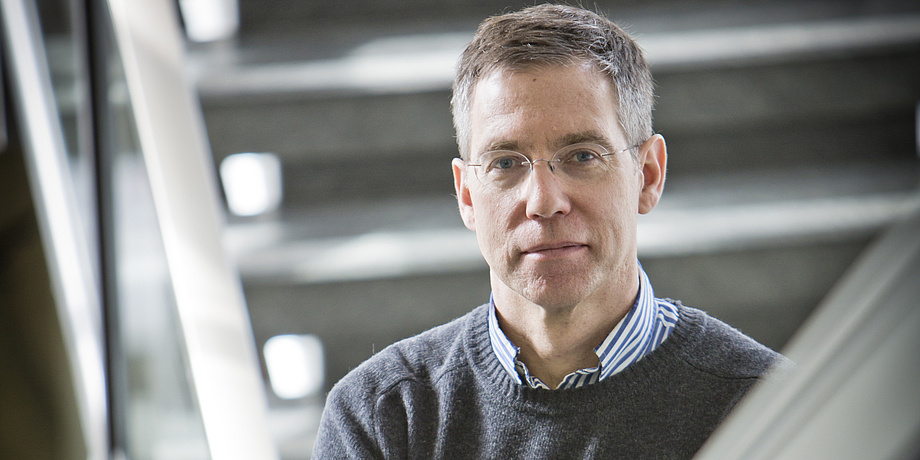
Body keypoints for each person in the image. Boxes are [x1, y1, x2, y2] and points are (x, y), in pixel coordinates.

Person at [312, 4, 789, 458]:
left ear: (648, 175)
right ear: (467, 196)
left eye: (582, 156)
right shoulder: (381, 416)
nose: (543, 200)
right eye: (505, 163)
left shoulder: (768, 406)